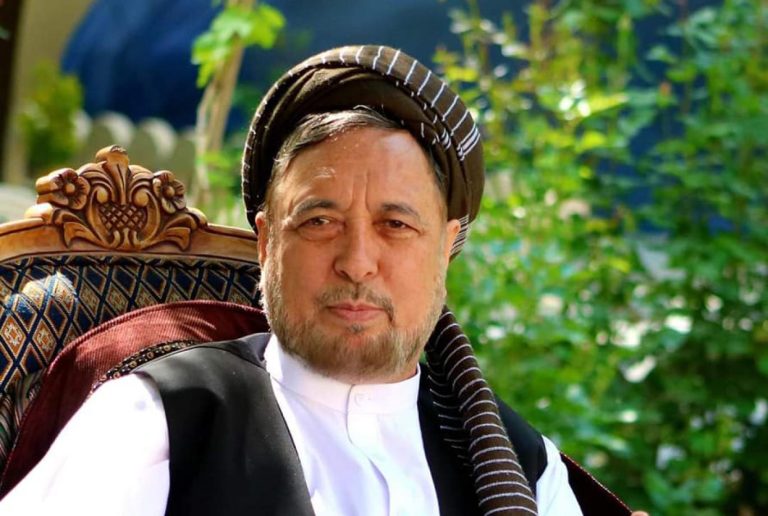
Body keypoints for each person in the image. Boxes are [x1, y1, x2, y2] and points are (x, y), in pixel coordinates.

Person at [0, 46, 635, 515]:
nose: (357, 261)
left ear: (445, 249)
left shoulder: (520, 469)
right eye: (320, 222)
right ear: (267, 242)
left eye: (395, 225)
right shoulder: (159, 421)